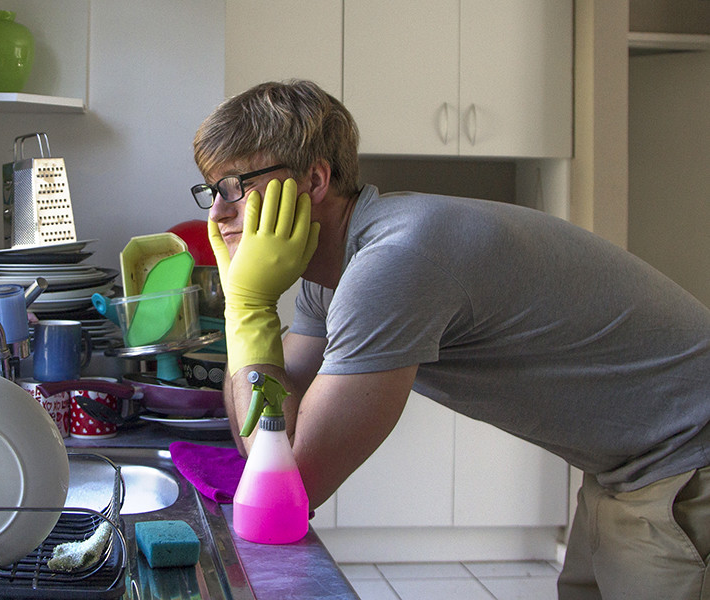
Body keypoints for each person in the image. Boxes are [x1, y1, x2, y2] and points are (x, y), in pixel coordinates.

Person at [190, 79, 710, 600]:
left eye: (236, 186)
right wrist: (246, 305)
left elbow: (291, 487)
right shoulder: (329, 277)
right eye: (212, 191)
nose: (217, 213)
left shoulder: (393, 261)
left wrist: (248, 306)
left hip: (685, 460)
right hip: (624, 469)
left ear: (316, 179)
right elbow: (264, 451)